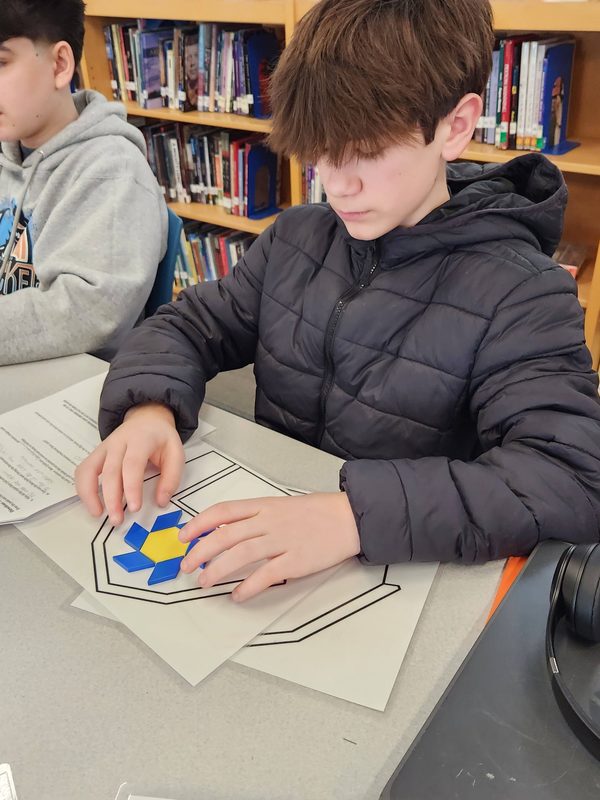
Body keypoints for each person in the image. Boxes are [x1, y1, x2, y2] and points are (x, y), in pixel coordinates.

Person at [76, 0, 600, 602]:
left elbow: (571, 478)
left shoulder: (523, 294)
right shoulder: (297, 237)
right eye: (321, 152)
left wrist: (353, 516)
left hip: (402, 575)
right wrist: (149, 407)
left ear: (455, 127)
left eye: (369, 152)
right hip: (274, 534)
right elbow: (190, 324)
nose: (337, 184)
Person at [0, 0, 168, 364]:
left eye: (2, 62)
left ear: (60, 65)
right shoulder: (7, 151)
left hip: (72, 383)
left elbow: (91, 313)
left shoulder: (113, 170)